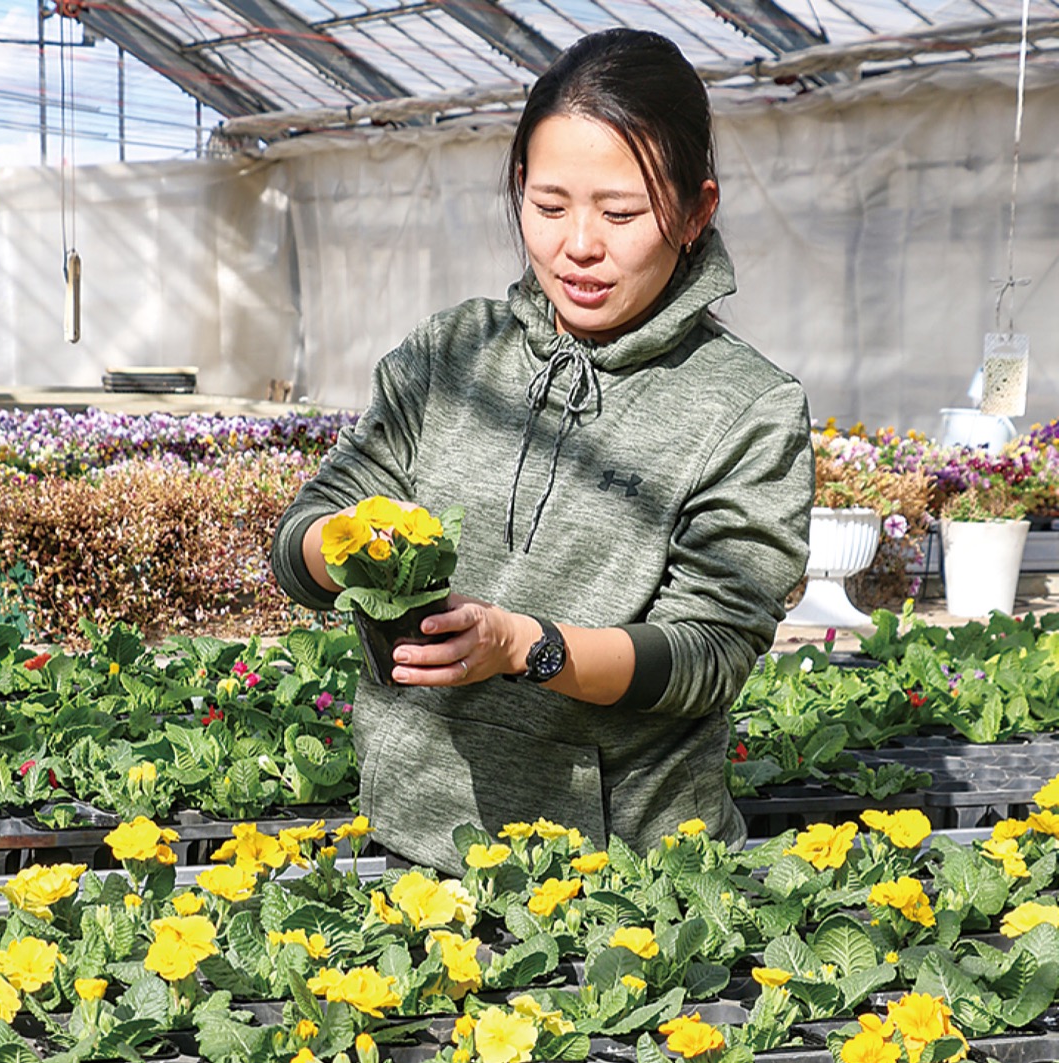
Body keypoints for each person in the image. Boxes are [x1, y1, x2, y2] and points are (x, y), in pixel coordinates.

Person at [271, 27, 813, 875]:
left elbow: (709, 651)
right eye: (550, 206)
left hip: (625, 878)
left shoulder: (746, 407)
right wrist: (353, 546)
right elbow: (303, 537)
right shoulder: (453, 355)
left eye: (622, 213)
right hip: (411, 836)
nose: (580, 245)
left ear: (697, 210)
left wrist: (525, 646)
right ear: (519, 190)